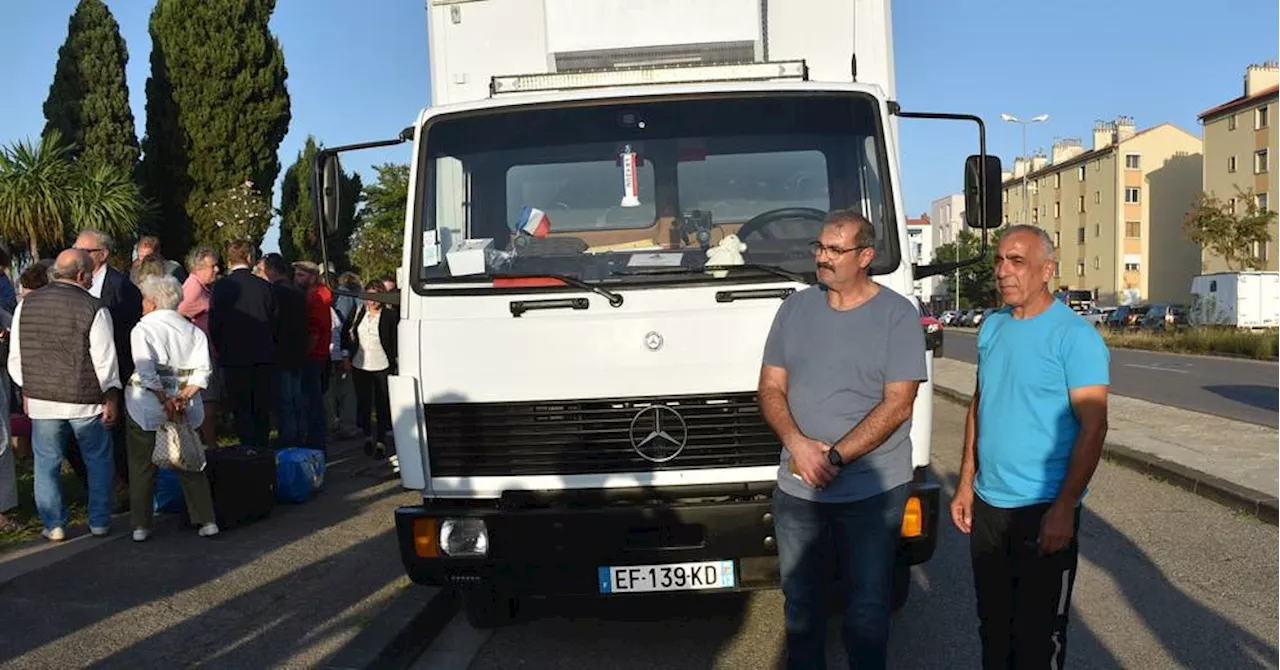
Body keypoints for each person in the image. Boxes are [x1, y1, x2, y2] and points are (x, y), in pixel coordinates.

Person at [758, 210, 927, 670]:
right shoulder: (795, 309)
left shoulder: (896, 316)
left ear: (865, 256)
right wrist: (797, 444)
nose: (823, 258)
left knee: (867, 610)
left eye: (835, 250)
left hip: (872, 492)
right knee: (801, 608)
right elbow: (770, 386)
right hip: (797, 490)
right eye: (820, 247)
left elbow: (898, 404)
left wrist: (830, 457)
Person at [950, 225, 1110, 670]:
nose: (1003, 271)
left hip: (1041, 510)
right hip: (988, 504)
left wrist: (1064, 508)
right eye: (1000, 260)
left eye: (1017, 261)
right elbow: (979, 405)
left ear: (1047, 271)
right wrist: (966, 483)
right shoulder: (993, 327)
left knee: (1036, 640)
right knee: (993, 628)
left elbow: (1093, 427)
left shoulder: (1074, 336)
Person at [8, 249, 121, 541]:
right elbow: (105, 361)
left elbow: (16, 358)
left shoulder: (25, 306)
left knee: (46, 463)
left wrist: (29, 387)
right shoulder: (94, 307)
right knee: (97, 460)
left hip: (42, 399)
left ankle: (54, 523)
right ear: (82, 275)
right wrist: (111, 396)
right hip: (85, 400)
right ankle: (99, 520)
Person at [125, 275, 219, 541]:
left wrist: (164, 399)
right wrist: (182, 397)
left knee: (142, 465)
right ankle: (206, 519)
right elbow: (203, 372)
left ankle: (141, 525)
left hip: (145, 405)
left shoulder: (142, 330)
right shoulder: (193, 331)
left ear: (153, 302)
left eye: (144, 299)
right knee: (190, 461)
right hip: (186, 406)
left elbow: (146, 371)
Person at [73, 230, 142, 505]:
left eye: (85, 250)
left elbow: (126, 333)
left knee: (116, 431)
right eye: (76, 249)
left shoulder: (121, 286)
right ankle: (100, 486)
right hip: (82, 371)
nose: (79, 255)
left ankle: (124, 487)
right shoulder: (76, 285)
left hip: (116, 368)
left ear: (102, 254)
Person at [209, 240, 277, 448]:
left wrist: (221, 349)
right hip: (262, 356)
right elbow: (275, 320)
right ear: (249, 257)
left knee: (241, 409)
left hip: (234, 358)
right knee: (261, 410)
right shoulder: (264, 287)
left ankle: (247, 453)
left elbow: (215, 324)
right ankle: (262, 450)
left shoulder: (221, 287)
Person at [343, 281, 398, 459]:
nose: (372, 301)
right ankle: (367, 437)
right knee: (364, 402)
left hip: (382, 363)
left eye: (376, 297)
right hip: (361, 363)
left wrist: (396, 361)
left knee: (382, 402)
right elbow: (346, 333)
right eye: (369, 296)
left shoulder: (389, 316)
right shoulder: (358, 312)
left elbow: (395, 340)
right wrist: (346, 356)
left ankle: (381, 440)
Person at [260, 254, 308, 446]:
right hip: (297, 349)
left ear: (270, 270)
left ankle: (288, 439)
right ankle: (301, 434)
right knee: (297, 397)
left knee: (285, 400)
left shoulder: (274, 292)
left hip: (280, 351)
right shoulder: (297, 291)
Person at [179, 247, 222, 448]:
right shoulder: (193, 289)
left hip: (205, 350)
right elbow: (178, 312)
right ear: (198, 268)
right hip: (198, 355)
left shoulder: (201, 288)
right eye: (212, 266)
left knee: (209, 402)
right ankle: (208, 445)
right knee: (207, 402)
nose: (217, 269)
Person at [293, 261, 332, 451]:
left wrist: (303, 354)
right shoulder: (316, 294)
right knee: (312, 400)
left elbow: (314, 331)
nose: (296, 279)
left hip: (314, 355)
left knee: (311, 401)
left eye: (301, 275)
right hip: (317, 354)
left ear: (312, 276)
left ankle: (316, 443)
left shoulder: (317, 297)